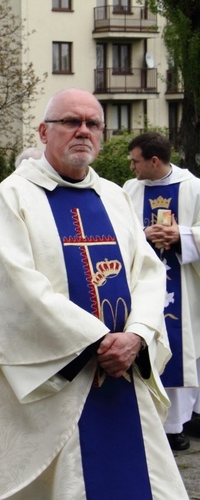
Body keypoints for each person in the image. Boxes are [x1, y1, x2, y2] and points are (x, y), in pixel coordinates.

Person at [0, 89, 188, 498]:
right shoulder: (13, 197)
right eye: (71, 122)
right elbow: (14, 287)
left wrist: (136, 335)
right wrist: (98, 342)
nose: (83, 131)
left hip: (123, 373)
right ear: (44, 132)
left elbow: (149, 274)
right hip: (51, 381)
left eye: (93, 124)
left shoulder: (114, 197)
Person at [123, 131, 200, 451]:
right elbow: (119, 231)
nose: (131, 168)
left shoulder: (194, 187)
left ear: (154, 161)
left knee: (184, 350)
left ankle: (177, 424)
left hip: (183, 282)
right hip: (141, 285)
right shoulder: (130, 190)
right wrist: (143, 233)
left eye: (135, 161)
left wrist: (181, 236)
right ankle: (149, 419)